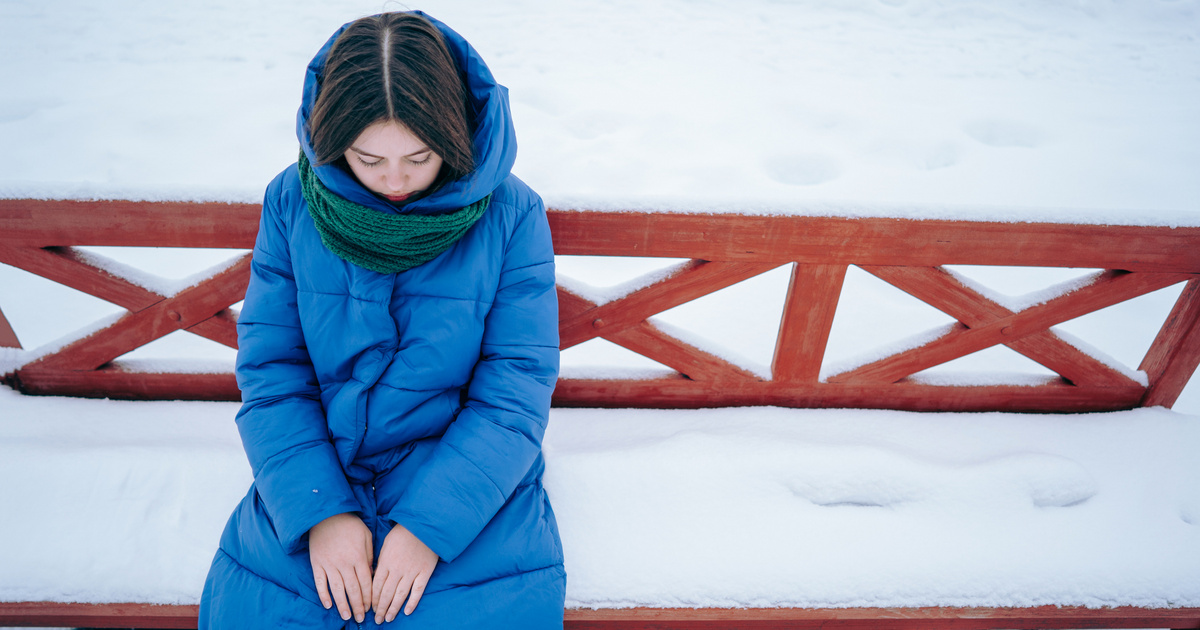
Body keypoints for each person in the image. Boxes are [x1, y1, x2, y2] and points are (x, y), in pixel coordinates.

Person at [199, 11, 565, 629]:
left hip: (469, 484)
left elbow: (516, 387)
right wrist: (319, 513)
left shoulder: (510, 213)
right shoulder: (292, 201)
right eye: (368, 159)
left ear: (454, 137)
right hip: (317, 466)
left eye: (420, 157)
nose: (395, 181)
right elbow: (273, 370)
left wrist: (430, 526)